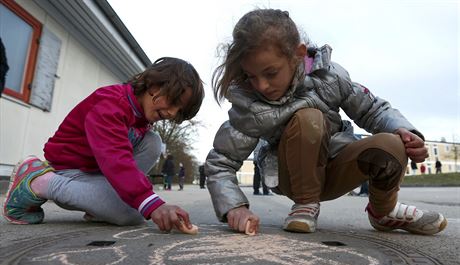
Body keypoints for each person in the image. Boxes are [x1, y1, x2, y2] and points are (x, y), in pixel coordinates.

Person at [205, 9, 447, 236]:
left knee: (392, 145)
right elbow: (221, 162)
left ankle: (384, 211)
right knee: (308, 117)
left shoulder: (330, 77)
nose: (261, 86)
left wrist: (403, 130)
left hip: (337, 166)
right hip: (293, 178)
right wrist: (234, 206)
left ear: (298, 55)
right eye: (251, 76)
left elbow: (372, 109)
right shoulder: (250, 106)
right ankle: (305, 204)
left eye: (270, 73)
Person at [3, 57, 205, 233]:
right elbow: (116, 159)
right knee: (131, 214)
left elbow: (121, 159)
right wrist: (149, 202)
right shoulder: (110, 104)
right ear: (154, 86)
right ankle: (39, 182)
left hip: (95, 172)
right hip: (68, 172)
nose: (172, 113)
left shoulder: (142, 118)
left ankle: (98, 207)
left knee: (153, 142)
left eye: (179, 111)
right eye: (174, 102)